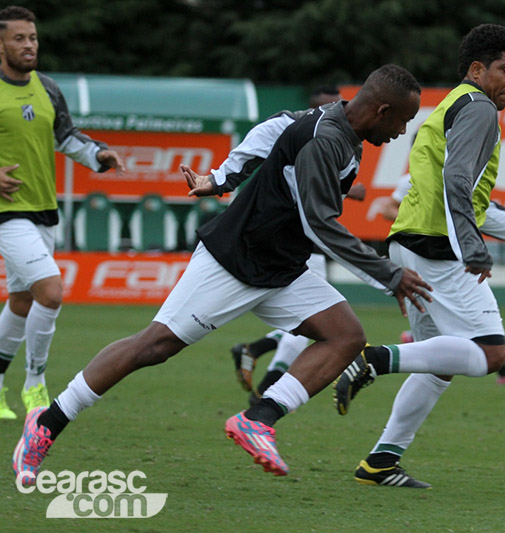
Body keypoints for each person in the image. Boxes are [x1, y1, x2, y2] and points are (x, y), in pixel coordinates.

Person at [12, 64, 432, 484]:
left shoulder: (334, 127)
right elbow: (317, 223)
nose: (401, 132)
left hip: (281, 267)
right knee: (154, 346)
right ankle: (47, 423)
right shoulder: (325, 139)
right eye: (402, 121)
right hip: (235, 259)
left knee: (345, 335)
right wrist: (388, 274)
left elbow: (272, 130)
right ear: (381, 111)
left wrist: (219, 179)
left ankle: (258, 420)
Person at [333, 24, 505, 488]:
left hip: (410, 244)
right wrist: (473, 248)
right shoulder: (480, 108)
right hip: (439, 252)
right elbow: (456, 186)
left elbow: (467, 197)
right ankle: (374, 359)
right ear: (478, 70)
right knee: (490, 353)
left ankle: (380, 462)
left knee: (439, 363)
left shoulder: (451, 105)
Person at [0, 6, 125, 421]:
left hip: (43, 212)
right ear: (1, 44)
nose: (29, 45)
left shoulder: (48, 88)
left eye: (32, 38)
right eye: (19, 38)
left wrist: (98, 155)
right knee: (50, 293)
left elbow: (65, 136)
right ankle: (35, 383)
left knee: (21, 300)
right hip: (6, 213)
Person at [228, 85, 369, 405]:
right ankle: (264, 396)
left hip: (304, 247)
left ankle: (255, 353)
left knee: (313, 326)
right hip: (301, 247)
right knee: (310, 329)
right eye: (327, 105)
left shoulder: (339, 142)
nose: (334, 110)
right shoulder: (305, 133)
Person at [381, 174, 505, 387]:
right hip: (430, 252)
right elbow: (387, 209)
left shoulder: (452, 172)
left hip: (418, 250)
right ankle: (374, 358)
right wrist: (415, 218)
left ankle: (389, 362)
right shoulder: (417, 178)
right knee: (483, 340)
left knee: (437, 362)